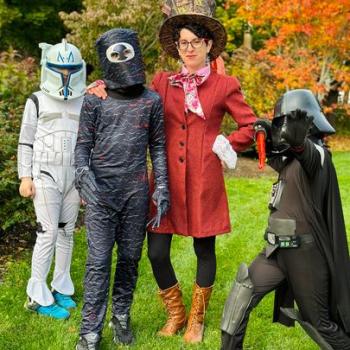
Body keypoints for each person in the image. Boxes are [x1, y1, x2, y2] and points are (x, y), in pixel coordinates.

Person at [88, 0, 257, 343]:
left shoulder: (224, 85)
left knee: (203, 250)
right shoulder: (164, 81)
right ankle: (175, 312)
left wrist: (224, 143)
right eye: (183, 42)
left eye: (195, 41)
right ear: (176, 47)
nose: (189, 48)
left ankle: (196, 319)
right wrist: (104, 88)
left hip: (203, 180)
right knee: (157, 252)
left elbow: (251, 126)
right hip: (164, 182)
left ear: (208, 45)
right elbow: (135, 97)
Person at [221, 89, 350, 350]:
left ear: (306, 123)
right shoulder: (288, 159)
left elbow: (308, 155)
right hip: (275, 252)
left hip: (306, 256)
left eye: (288, 123)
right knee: (237, 304)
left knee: (321, 325)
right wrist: (265, 130)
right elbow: (272, 148)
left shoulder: (318, 155)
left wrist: (299, 144)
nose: (285, 129)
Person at [74, 28, 169, 350]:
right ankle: (89, 332)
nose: (122, 59)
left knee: (129, 258)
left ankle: (121, 316)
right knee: (98, 262)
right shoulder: (94, 100)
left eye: (125, 52)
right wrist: (83, 173)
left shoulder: (151, 101)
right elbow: (82, 145)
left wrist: (162, 186)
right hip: (101, 193)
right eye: (115, 54)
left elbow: (157, 146)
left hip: (135, 193)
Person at [17, 39, 86, 319]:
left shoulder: (85, 101)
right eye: (61, 69)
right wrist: (25, 176)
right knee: (47, 234)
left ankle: (61, 287)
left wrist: (85, 182)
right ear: (50, 67)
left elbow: (88, 143)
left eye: (71, 70)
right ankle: (36, 295)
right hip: (44, 175)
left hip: (72, 177)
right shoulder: (36, 99)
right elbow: (25, 141)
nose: (66, 75)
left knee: (66, 233)